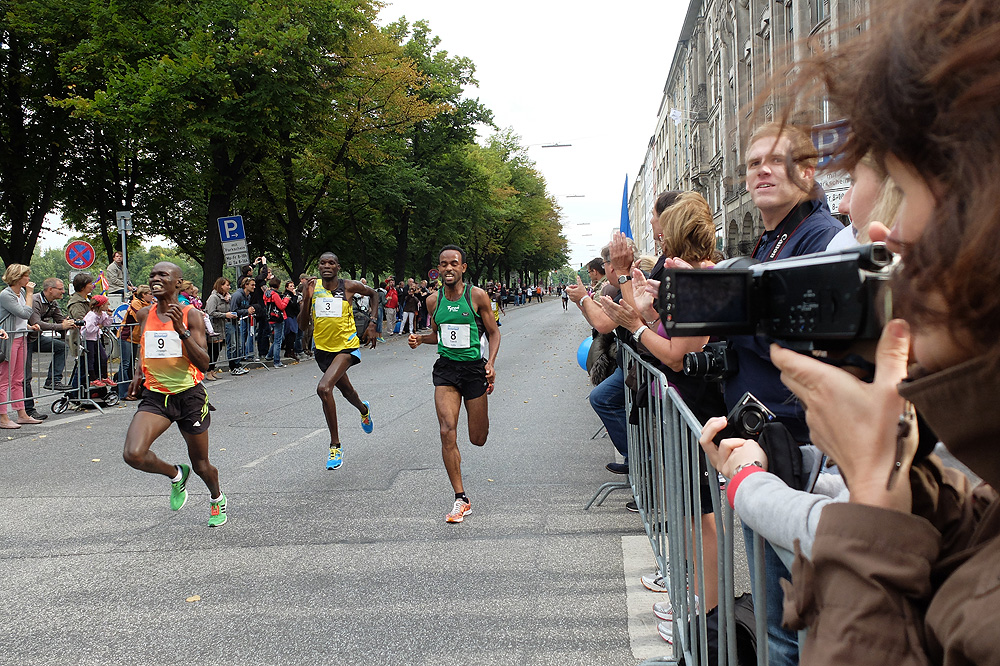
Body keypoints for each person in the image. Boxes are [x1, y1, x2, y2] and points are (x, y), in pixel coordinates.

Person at [123, 262, 227, 527]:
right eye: (153, 274)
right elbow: (146, 347)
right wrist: (138, 374)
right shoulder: (145, 313)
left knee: (202, 464)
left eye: (163, 275)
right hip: (156, 396)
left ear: (178, 283)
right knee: (133, 454)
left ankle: (217, 498)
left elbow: (204, 363)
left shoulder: (192, 315)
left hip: (189, 396)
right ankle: (176, 474)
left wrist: (181, 330)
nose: (156, 278)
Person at [408, 245, 501, 523]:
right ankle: (461, 498)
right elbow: (438, 336)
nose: (448, 268)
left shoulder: (477, 297)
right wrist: (420, 339)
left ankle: (481, 408)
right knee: (447, 430)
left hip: (474, 370)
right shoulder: (433, 301)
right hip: (446, 370)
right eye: (443, 264)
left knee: (478, 438)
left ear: (463, 268)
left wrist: (491, 363)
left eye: (453, 264)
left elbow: (494, 334)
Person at [297, 252, 377, 470]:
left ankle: (335, 446)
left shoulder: (349, 286)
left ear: (337, 267)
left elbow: (374, 294)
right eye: (322, 262)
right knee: (347, 391)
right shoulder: (312, 288)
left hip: (347, 347)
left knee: (324, 388)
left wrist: (373, 322)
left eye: (331, 262)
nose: (326, 266)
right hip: (323, 350)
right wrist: (307, 298)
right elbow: (303, 325)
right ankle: (363, 410)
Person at [24, 277, 75, 419]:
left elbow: (60, 320)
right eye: (60, 289)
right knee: (26, 376)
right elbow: (36, 322)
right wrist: (61, 326)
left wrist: (69, 323)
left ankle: (53, 380)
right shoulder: (35, 301)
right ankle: (29, 410)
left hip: (36, 338)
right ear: (50, 289)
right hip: (26, 339)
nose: (63, 291)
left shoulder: (53, 302)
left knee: (61, 347)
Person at [0, 265, 41, 428]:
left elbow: (21, 318)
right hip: (7, 339)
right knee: (4, 379)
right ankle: (3, 417)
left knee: (18, 379)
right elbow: (24, 313)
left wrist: (28, 327)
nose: (29, 279)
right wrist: (30, 294)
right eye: (26, 276)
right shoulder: (6, 295)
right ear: (17, 277)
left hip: (20, 337)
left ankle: (21, 413)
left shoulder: (21, 293)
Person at [117, 285, 152, 397]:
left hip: (135, 338)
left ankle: (132, 390)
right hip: (127, 336)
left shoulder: (150, 305)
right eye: (150, 294)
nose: (152, 296)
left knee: (131, 363)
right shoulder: (135, 303)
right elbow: (141, 317)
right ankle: (123, 392)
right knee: (125, 364)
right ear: (143, 295)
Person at [65, 272, 94, 388]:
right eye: (90, 284)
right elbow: (82, 320)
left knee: (88, 366)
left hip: (90, 338)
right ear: (82, 287)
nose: (92, 286)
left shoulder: (88, 299)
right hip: (81, 340)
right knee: (82, 367)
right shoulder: (76, 303)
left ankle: (84, 392)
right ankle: (74, 394)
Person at [204, 278, 236, 380]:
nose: (229, 287)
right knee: (213, 349)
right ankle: (208, 371)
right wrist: (225, 315)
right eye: (227, 285)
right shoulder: (214, 297)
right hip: (214, 326)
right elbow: (211, 312)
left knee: (218, 349)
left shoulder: (226, 298)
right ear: (221, 286)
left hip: (221, 326)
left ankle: (213, 370)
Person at [82, 294, 114, 387]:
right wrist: (98, 327)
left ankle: (104, 376)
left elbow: (106, 324)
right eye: (106, 304)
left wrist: (109, 317)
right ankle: (92, 378)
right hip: (88, 338)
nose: (108, 305)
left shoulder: (102, 314)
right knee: (91, 359)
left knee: (103, 357)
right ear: (101, 306)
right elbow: (89, 329)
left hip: (96, 338)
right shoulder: (92, 315)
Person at [228, 276, 255, 375]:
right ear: (245, 285)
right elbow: (233, 310)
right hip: (231, 322)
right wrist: (246, 311)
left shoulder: (248, 296)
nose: (254, 287)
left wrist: (250, 310)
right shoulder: (237, 295)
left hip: (238, 321)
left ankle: (238, 365)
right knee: (233, 345)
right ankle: (233, 366)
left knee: (239, 345)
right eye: (252, 285)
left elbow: (245, 308)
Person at [262, 276, 290, 367]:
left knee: (278, 338)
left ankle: (269, 355)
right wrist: (286, 299)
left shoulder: (266, 293)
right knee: (278, 340)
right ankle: (277, 361)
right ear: (278, 285)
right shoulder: (275, 295)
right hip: (278, 318)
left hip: (270, 318)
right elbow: (281, 306)